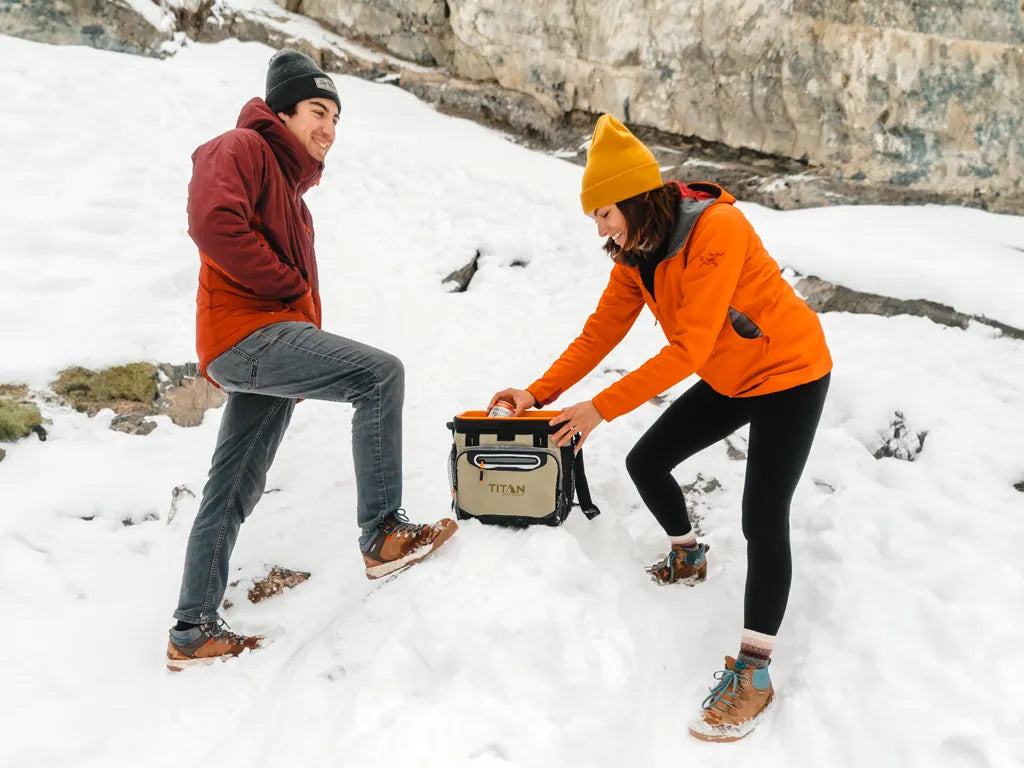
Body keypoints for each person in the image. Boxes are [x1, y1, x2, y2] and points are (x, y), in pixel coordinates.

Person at [489, 114, 831, 741]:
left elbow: (690, 349)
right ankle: (688, 554)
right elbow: (601, 333)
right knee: (646, 462)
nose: (600, 227)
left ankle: (754, 673)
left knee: (762, 514)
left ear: (636, 196)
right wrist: (538, 392)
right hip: (733, 376)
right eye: (594, 217)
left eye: (604, 211)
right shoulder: (636, 254)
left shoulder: (716, 230)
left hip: (789, 372)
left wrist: (598, 409)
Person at [166, 49, 457, 672]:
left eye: (336, 117)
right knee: (379, 375)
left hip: (261, 343)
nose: (328, 127)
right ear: (282, 113)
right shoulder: (239, 148)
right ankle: (383, 534)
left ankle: (192, 629)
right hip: (248, 337)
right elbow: (213, 222)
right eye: (317, 111)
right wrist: (281, 289)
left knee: (233, 485)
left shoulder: (293, 197)